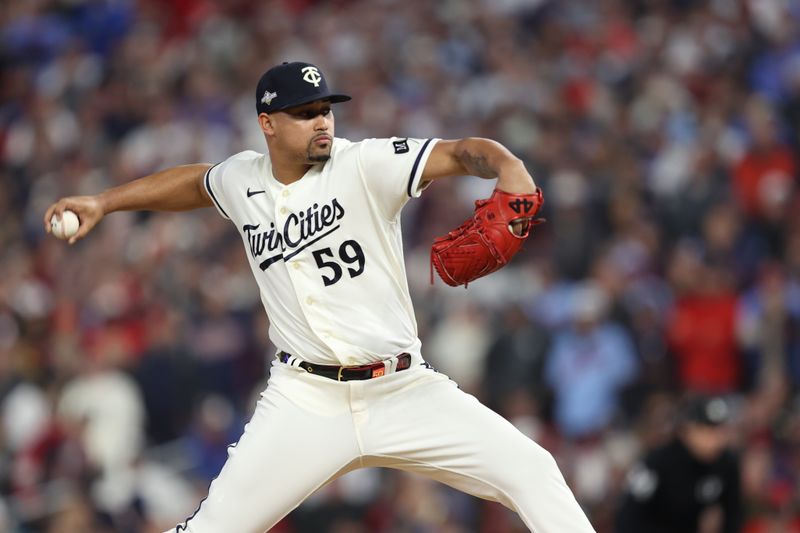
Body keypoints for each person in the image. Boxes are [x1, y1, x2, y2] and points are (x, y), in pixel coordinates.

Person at [45, 61, 595, 533]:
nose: (322, 121)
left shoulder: (364, 164)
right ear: (268, 124)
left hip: (403, 389)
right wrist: (104, 201)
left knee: (533, 471)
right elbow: (196, 183)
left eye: (325, 109)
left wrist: (507, 164)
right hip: (305, 400)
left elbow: (460, 152)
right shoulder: (242, 179)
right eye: (305, 113)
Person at [615, 395, 742, 533]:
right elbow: (627, 516)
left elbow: (732, 513)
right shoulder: (657, 463)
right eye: (707, 430)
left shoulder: (726, 463)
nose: (716, 440)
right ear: (686, 430)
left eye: (720, 431)